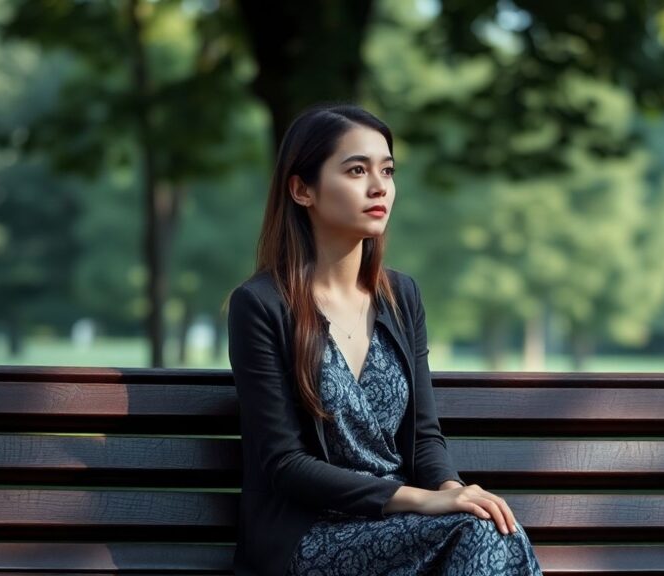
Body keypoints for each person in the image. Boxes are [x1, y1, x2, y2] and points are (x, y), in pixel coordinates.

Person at [227, 102, 544, 576]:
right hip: (309, 537)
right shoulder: (261, 305)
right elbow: (285, 463)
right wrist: (421, 502)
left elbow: (423, 438)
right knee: (480, 533)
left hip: (403, 527)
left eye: (387, 171)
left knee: (489, 525)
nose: (379, 187)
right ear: (301, 189)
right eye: (356, 170)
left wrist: (452, 494)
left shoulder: (401, 296)